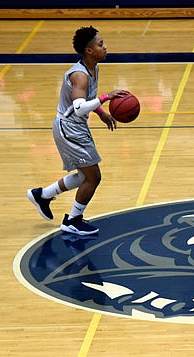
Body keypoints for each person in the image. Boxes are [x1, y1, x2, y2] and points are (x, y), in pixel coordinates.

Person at [27, 26, 127, 235]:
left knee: (85, 176)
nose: (105, 47)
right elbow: (80, 107)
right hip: (69, 128)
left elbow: (87, 100)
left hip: (76, 126)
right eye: (100, 44)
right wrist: (107, 97)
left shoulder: (93, 67)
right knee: (93, 177)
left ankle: (42, 195)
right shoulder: (79, 75)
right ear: (89, 50)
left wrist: (101, 112)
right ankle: (72, 220)